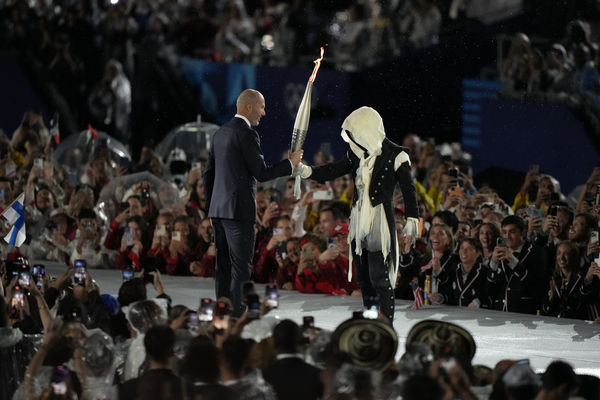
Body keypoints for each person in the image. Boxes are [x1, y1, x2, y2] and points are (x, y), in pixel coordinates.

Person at [295, 106, 419, 322]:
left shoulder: (397, 155)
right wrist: (308, 171)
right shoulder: (357, 153)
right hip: (359, 218)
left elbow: (409, 190)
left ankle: (386, 318)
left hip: (379, 220)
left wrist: (412, 220)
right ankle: (370, 315)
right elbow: (334, 169)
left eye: (356, 133)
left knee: (379, 274)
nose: (353, 139)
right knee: (362, 275)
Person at [203, 89, 303, 316]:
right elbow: (261, 172)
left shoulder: (220, 133)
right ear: (248, 107)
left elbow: (208, 174)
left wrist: (211, 208)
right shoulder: (246, 134)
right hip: (238, 212)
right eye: (262, 107)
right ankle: (237, 313)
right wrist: (289, 163)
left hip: (218, 211)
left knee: (224, 266)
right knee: (240, 266)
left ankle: (223, 309)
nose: (264, 112)